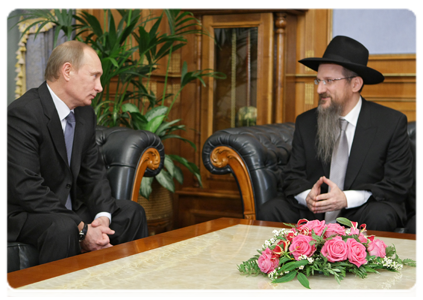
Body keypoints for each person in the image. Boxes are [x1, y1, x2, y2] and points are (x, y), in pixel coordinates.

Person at [6, 40, 148, 264]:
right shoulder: (23, 113)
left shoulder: (85, 114)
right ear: (67, 71)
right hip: (29, 213)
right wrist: (81, 229)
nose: (100, 87)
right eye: (94, 76)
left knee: (131, 212)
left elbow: (94, 173)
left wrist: (102, 217)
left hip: (68, 211)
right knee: (63, 228)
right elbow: (26, 187)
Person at [257, 36, 413, 231]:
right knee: (271, 210)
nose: (320, 89)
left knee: (381, 215)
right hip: (314, 211)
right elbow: (292, 176)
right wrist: (308, 196)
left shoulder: (390, 123)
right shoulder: (306, 122)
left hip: (361, 209)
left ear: (355, 84)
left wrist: (345, 199)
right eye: (318, 80)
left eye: (329, 81)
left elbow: (397, 184)